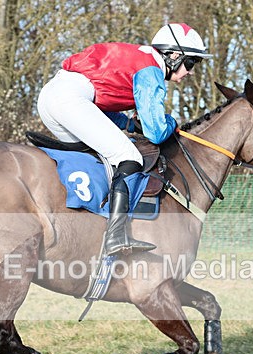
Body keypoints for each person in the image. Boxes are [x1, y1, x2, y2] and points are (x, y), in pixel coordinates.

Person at [37, 23, 211, 255]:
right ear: (173, 55)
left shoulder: (140, 58)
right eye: (190, 63)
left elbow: (100, 102)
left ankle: (86, 229)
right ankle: (115, 236)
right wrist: (172, 122)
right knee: (129, 157)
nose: (190, 71)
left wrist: (129, 124)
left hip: (52, 97)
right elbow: (156, 132)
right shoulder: (152, 69)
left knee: (99, 162)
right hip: (70, 100)